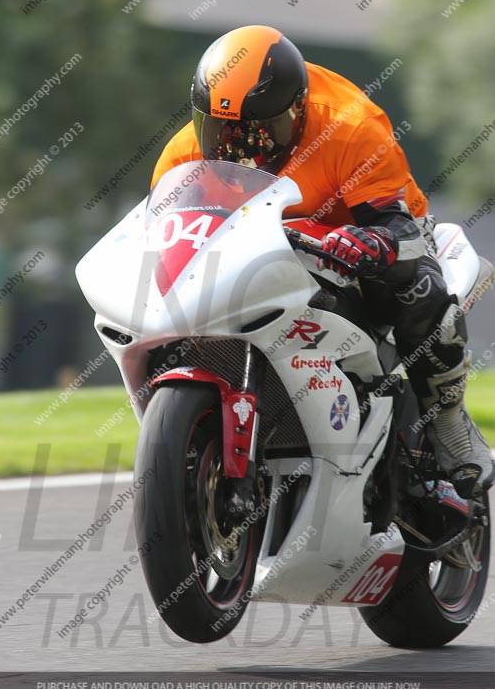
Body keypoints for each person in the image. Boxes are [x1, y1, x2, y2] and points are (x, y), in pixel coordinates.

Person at [151, 24, 494, 499]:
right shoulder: (183, 154)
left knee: (419, 286)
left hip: (357, 236)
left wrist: (371, 244)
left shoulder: (350, 126)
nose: (238, 148)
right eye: (221, 129)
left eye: (257, 131)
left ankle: (450, 423)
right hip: (257, 252)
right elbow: (165, 234)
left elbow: (400, 229)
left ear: (298, 109)